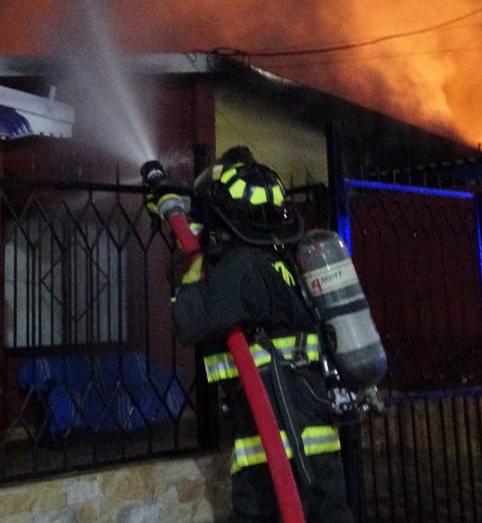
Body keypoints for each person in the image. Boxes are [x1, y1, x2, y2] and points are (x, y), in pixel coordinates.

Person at [153, 146, 356, 523]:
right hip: (309, 436)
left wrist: (189, 252)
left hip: (278, 447)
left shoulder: (242, 266)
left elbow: (190, 318)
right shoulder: (280, 261)